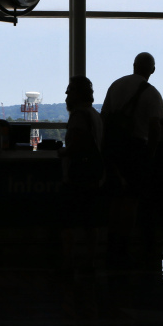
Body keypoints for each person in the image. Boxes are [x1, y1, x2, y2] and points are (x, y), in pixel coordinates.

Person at [100, 52, 163, 266]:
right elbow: (155, 127)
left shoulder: (116, 85)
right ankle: (125, 245)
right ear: (152, 69)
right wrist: (150, 154)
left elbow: (104, 117)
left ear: (133, 65)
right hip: (137, 150)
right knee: (131, 201)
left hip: (114, 150)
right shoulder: (152, 93)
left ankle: (111, 244)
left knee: (115, 200)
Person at [59, 76, 105, 267]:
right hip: (95, 175)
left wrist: (63, 152)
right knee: (90, 222)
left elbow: (78, 143)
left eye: (69, 90)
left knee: (69, 220)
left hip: (78, 174)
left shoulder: (78, 116)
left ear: (76, 94)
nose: (66, 94)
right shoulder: (95, 114)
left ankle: (67, 260)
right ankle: (90, 260)